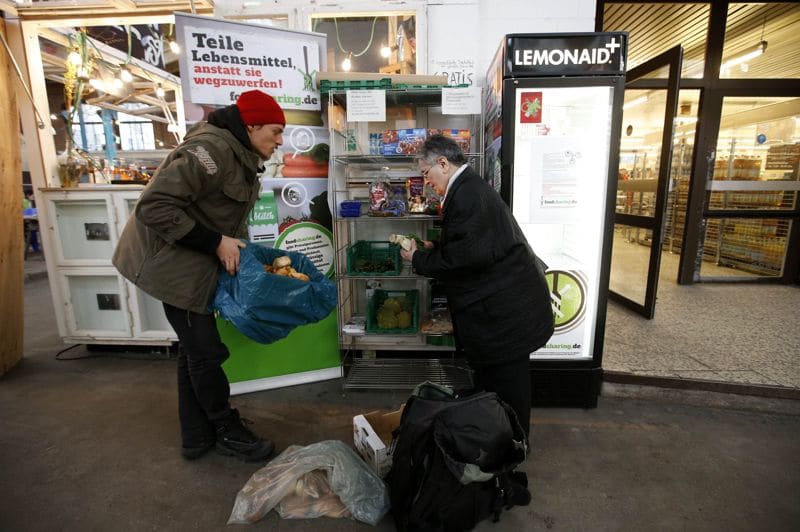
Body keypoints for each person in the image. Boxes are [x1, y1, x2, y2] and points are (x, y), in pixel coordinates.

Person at [112, 90, 285, 462]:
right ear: (251, 125)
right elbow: (154, 206)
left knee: (193, 352)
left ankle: (195, 436)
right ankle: (226, 429)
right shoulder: (210, 151)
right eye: (274, 131)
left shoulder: (238, 153)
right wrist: (216, 243)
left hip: (192, 262)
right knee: (207, 353)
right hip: (172, 265)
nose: (280, 140)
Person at [400, 134, 554, 443]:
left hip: (506, 314)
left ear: (443, 164)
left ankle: (512, 447)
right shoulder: (467, 188)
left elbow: (467, 257)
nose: (426, 182)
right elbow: (472, 242)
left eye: (427, 174)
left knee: (508, 387)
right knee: (498, 383)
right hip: (503, 310)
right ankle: (499, 440)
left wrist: (418, 259)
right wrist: (436, 246)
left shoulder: (468, 193)